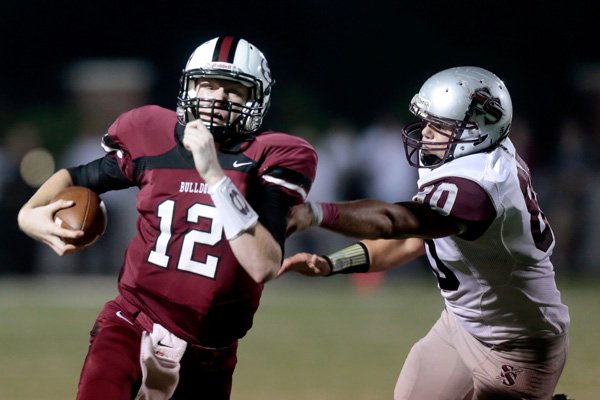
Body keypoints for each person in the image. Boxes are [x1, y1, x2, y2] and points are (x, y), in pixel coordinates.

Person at [18, 36, 317, 400]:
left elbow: (263, 264)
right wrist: (27, 215)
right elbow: (79, 176)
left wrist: (215, 176)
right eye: (207, 85)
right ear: (188, 87)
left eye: (233, 89)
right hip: (132, 322)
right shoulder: (153, 134)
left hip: (210, 353)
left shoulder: (271, 156)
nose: (217, 98)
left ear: (258, 98)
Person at [280, 67, 570, 400]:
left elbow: (396, 221)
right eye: (428, 122)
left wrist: (317, 212)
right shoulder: (472, 158)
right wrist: (331, 263)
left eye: (442, 126)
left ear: (479, 130)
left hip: (516, 341)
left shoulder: (480, 184)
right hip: (461, 323)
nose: (427, 133)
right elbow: (411, 241)